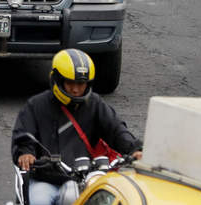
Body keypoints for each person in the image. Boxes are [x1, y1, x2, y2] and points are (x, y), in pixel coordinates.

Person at [11, 50, 142, 205]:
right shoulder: (37, 105)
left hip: (86, 178)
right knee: (40, 201)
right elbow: (24, 135)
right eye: (70, 83)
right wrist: (26, 153)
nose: (75, 89)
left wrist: (135, 149)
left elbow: (116, 129)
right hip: (46, 179)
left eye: (80, 83)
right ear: (57, 80)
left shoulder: (95, 104)